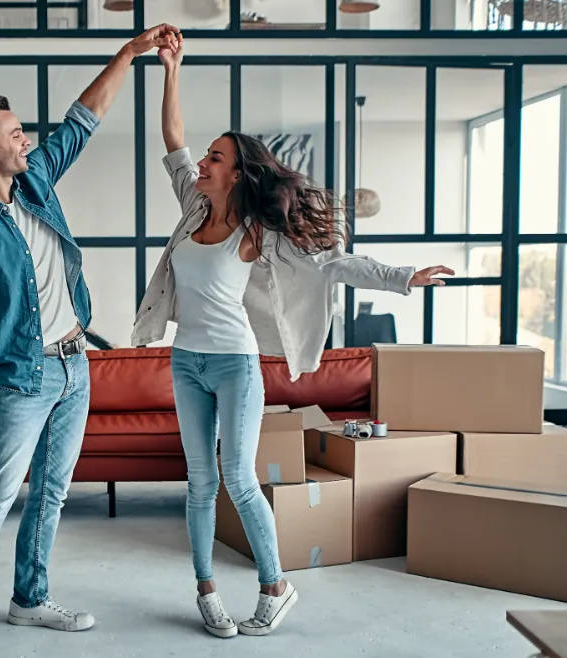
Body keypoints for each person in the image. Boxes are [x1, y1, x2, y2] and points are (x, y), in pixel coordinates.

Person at [133, 33, 454, 639]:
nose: (201, 163)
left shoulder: (262, 234)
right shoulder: (193, 206)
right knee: (199, 483)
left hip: (234, 364)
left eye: (215, 158)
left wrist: (405, 276)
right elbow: (172, 139)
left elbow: (335, 263)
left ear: (239, 173)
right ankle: (206, 591)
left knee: (238, 480)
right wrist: (172, 70)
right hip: (186, 362)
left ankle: (275, 585)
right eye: (205, 157)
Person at [0, 24, 181, 658]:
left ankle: (29, 601)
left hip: (76, 366)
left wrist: (129, 53)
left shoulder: (35, 180)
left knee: (52, 491)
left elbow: (83, 119)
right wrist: (12, 331)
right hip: (24, 375)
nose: (26, 140)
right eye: (14, 134)